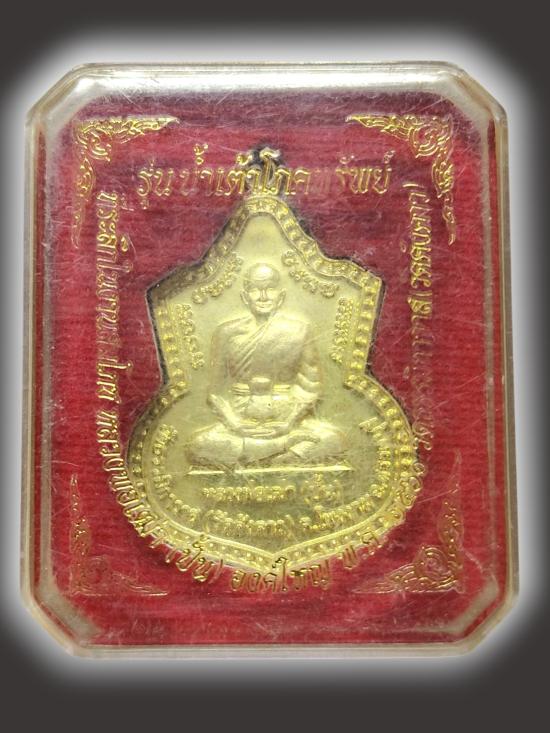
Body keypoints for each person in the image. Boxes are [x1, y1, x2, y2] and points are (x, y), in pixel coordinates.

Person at [186, 262, 345, 468]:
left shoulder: (299, 330)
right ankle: (283, 451)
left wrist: (288, 423)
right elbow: (216, 393)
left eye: (270, 289)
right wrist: (234, 423)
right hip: (241, 420)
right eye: (255, 290)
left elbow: (311, 387)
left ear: (281, 295)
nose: (263, 297)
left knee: (336, 440)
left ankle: (258, 455)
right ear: (245, 297)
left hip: (287, 419)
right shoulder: (226, 332)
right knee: (197, 445)